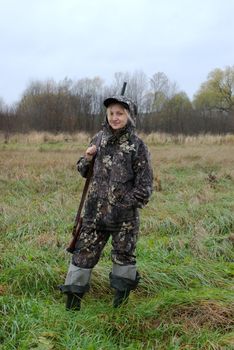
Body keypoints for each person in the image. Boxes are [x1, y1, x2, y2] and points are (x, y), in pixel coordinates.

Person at [60, 94, 153, 310]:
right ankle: (72, 309)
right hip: (94, 216)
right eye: (111, 113)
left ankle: (119, 309)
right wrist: (88, 158)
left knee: (123, 260)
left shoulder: (137, 146)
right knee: (81, 257)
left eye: (120, 113)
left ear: (129, 116)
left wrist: (121, 205)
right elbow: (83, 170)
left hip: (124, 220)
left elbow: (145, 189)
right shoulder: (97, 139)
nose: (115, 117)